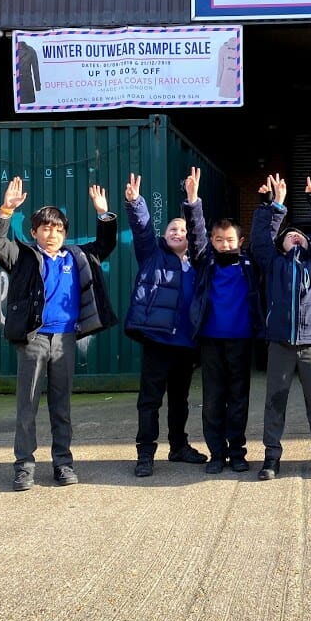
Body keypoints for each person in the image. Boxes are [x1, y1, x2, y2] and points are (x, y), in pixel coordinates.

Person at [0, 176, 117, 491]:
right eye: (45, 228)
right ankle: (24, 466)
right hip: (34, 339)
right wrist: (5, 210)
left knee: (61, 404)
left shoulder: (78, 257)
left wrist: (103, 214)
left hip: (65, 339)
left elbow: (105, 244)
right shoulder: (23, 256)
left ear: (65, 233)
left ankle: (63, 463)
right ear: (34, 232)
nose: (52, 233)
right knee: (27, 404)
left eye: (58, 229)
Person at [250, 173, 311, 480]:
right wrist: (275, 207)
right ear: (281, 243)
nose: (295, 236)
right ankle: (271, 458)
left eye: (300, 235)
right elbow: (261, 240)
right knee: (275, 402)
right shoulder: (272, 263)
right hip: (280, 344)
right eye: (289, 235)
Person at [123, 173, 207, 478]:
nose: (178, 232)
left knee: (180, 401)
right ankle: (145, 453)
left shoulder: (199, 260)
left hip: (186, 345)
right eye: (172, 228)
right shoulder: (152, 255)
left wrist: (192, 200)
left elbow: (199, 230)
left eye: (182, 229)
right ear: (165, 234)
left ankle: (178, 446)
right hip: (158, 341)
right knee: (149, 400)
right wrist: (136, 203)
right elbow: (143, 230)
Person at [183, 167, 264, 474]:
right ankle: (217, 454)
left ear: (239, 241)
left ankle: (238, 451)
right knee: (214, 400)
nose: (224, 244)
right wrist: (193, 201)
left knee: (238, 400)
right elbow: (196, 233)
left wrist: (272, 204)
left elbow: (264, 237)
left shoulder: (248, 263)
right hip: (210, 341)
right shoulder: (206, 261)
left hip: (241, 341)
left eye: (230, 239)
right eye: (219, 239)